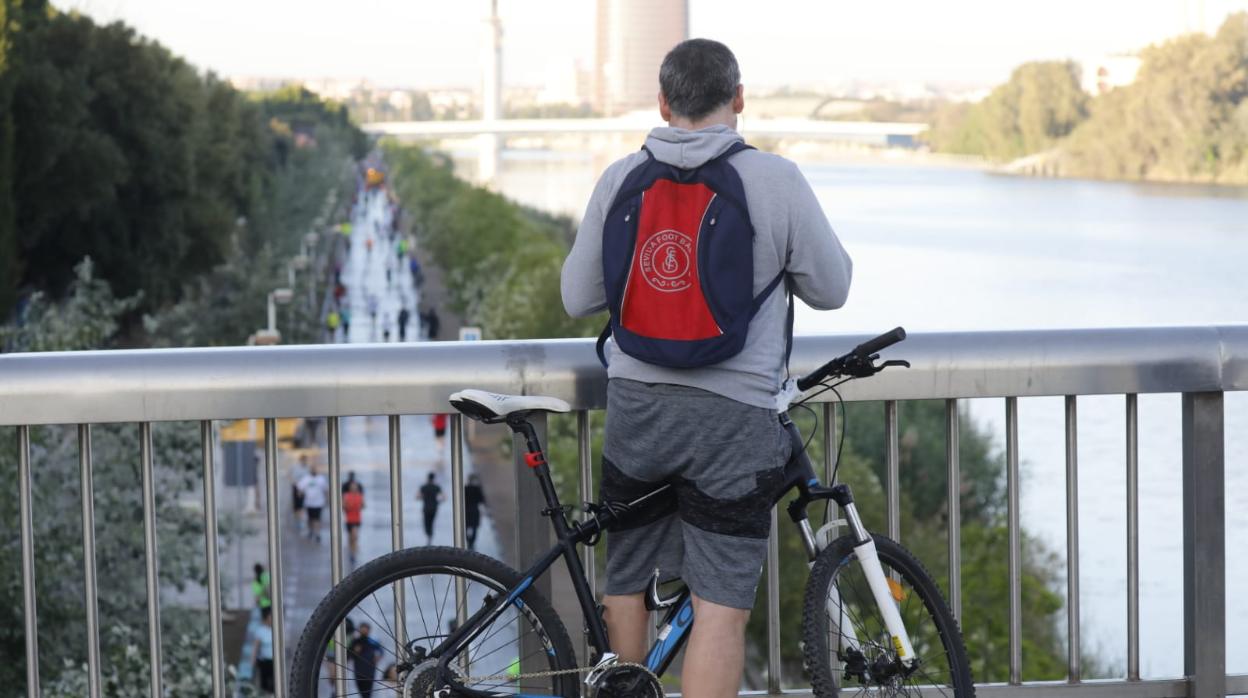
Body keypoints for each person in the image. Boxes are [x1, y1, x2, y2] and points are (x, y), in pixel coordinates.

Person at [559, 39, 852, 698]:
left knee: (626, 575)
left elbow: (578, 298)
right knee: (720, 603)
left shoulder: (620, 177)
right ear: (738, 100)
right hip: (737, 418)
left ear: (663, 103)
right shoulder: (774, 180)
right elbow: (833, 288)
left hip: (639, 403)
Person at [348, 622, 385, 698]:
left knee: (368, 692)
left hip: (369, 671)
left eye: (365, 630)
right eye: (362, 630)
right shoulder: (355, 641)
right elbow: (349, 654)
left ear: (369, 630)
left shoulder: (372, 641)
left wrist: (378, 657)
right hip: (358, 671)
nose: (364, 631)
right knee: (361, 691)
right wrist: (355, 651)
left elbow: (381, 650)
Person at [298, 464, 330, 542]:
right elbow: (300, 488)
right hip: (309, 503)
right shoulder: (306, 479)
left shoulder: (321, 479)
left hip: (318, 503)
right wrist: (300, 495)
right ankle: (311, 530)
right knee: (310, 519)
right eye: (312, 469)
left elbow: (326, 490)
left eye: (315, 469)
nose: (314, 471)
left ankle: (318, 534)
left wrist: (327, 499)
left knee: (317, 519)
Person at [251, 606, 275, 693]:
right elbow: (256, 647)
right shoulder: (260, 631)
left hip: (274, 662)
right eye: (270, 616)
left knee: (274, 683)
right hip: (264, 662)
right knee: (264, 684)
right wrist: (253, 661)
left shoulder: (276, 630)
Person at [419, 472, 444, 546]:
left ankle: (428, 535)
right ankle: (430, 537)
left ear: (427, 478)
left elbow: (417, 496)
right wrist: (438, 501)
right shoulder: (437, 487)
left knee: (426, 523)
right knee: (431, 522)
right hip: (434, 507)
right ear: (434, 478)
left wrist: (424, 498)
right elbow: (444, 497)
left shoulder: (424, 487)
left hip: (426, 508)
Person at [343, 480, 364, 564]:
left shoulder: (360, 495)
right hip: (349, 519)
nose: (354, 488)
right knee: (350, 537)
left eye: (355, 486)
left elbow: (363, 505)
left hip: (357, 519)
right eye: (352, 486)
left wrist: (360, 506)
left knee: (354, 536)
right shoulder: (346, 495)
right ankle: (351, 551)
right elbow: (343, 506)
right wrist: (348, 507)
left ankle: (353, 554)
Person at [464, 473, 487, 550]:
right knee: (474, 527)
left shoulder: (465, 488)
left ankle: (468, 540)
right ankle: (471, 542)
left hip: (466, 510)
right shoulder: (478, 489)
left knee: (466, 527)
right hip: (474, 510)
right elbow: (482, 500)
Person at [291, 454, 309, 531]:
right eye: (304, 459)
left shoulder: (307, 468)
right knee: (296, 506)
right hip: (296, 487)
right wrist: (298, 488)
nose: (305, 461)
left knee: (302, 505)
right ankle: (297, 521)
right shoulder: (295, 467)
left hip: (304, 489)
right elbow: (292, 477)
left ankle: (301, 522)